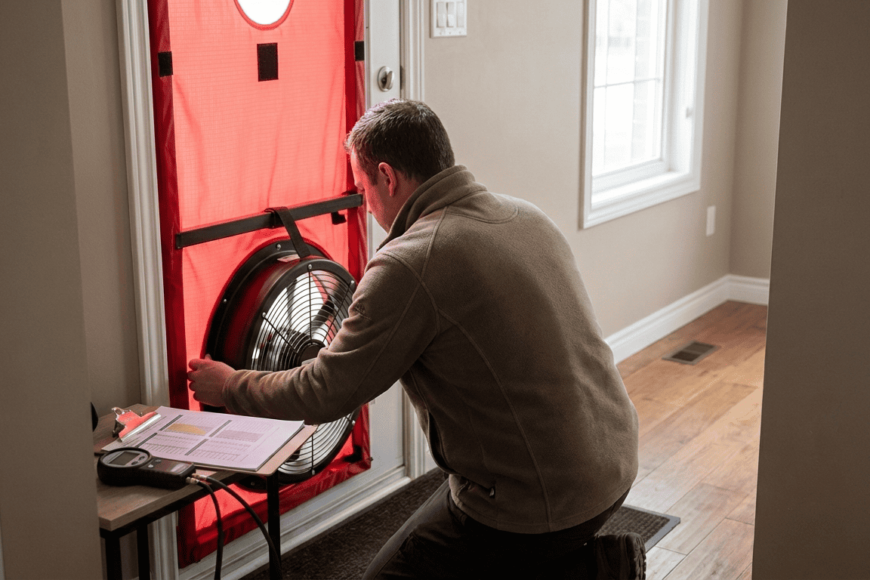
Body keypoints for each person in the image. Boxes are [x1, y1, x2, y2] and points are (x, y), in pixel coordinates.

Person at [189, 99, 644, 579]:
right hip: (612, 461)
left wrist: (230, 385)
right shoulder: (524, 215)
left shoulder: (411, 262)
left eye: (363, 189)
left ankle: (596, 570)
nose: (365, 205)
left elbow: (324, 393)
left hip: (533, 502)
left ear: (388, 176)